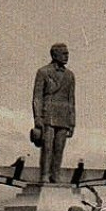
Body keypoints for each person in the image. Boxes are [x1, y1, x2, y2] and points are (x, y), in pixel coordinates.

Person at [31, 42, 75, 183]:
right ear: (54, 55)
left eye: (67, 53)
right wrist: (37, 117)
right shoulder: (43, 72)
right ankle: (44, 175)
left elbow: (71, 100)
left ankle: (55, 175)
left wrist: (72, 122)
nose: (67, 56)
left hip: (63, 116)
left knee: (59, 148)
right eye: (64, 54)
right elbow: (37, 97)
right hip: (48, 114)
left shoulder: (70, 75)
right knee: (47, 147)